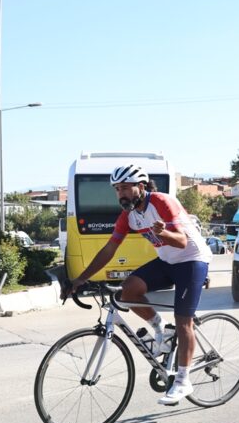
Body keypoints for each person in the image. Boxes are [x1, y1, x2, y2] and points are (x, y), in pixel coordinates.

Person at [68, 164, 213, 406]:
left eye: (125, 187)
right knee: (128, 291)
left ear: (141, 187)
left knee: (183, 321)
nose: (120, 194)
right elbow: (109, 249)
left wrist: (164, 234)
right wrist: (81, 278)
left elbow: (181, 241)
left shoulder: (162, 202)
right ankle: (160, 329)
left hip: (191, 260)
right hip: (167, 261)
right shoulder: (129, 216)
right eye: (117, 189)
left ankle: (183, 380)